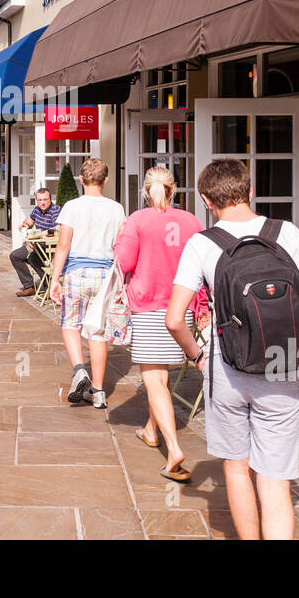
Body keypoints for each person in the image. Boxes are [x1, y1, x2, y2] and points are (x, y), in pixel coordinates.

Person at [166, 159, 299, 540]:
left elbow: (174, 319)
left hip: (226, 367)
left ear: (207, 201)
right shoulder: (286, 233)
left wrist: (197, 357)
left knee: (236, 467)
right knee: (275, 479)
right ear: (250, 191)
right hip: (283, 367)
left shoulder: (202, 244)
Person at [114, 166, 205, 483]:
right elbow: (203, 267)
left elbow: (123, 262)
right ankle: (151, 431)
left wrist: (119, 239)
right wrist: (204, 306)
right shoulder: (192, 221)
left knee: (154, 382)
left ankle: (174, 450)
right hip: (182, 309)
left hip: (149, 306)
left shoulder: (138, 220)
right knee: (161, 379)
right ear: (173, 191)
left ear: (145, 191)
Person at [48, 159, 127, 409]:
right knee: (97, 331)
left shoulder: (72, 207)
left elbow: (63, 246)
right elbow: (121, 247)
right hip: (104, 276)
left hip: (77, 272)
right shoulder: (116, 209)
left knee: (70, 323)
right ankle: (99, 391)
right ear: (105, 181)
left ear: (81, 180)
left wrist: (54, 279)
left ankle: (80, 370)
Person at [10, 187, 61, 297]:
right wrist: (25, 225)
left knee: (33, 258)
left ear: (50, 199)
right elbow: (30, 220)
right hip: (36, 244)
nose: (42, 203)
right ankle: (29, 286)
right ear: (37, 200)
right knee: (15, 256)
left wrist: (42, 233)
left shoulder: (55, 210)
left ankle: (49, 286)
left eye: (45, 199)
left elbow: (58, 228)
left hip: (49, 245)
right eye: (40, 200)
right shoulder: (37, 209)